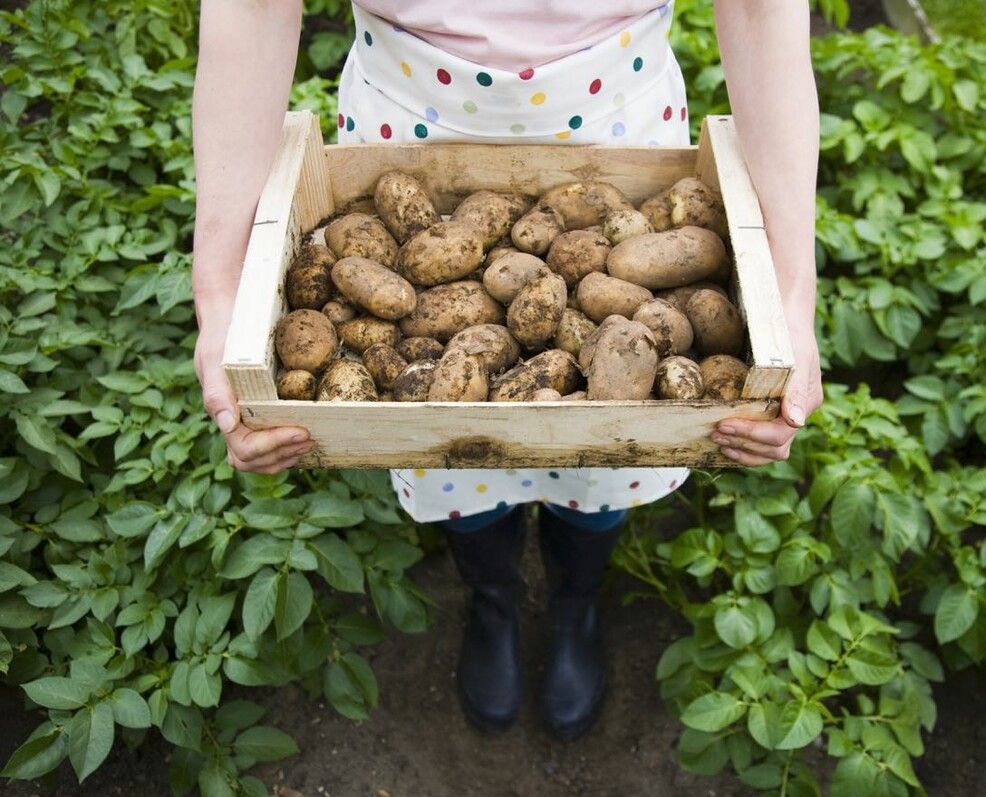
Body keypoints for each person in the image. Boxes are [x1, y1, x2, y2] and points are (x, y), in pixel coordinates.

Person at [191, 0, 823, 740]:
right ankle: (492, 597)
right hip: (407, 127)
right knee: (443, 441)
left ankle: (574, 600)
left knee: (614, 441)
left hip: (621, 131)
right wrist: (221, 290)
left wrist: (790, 297)